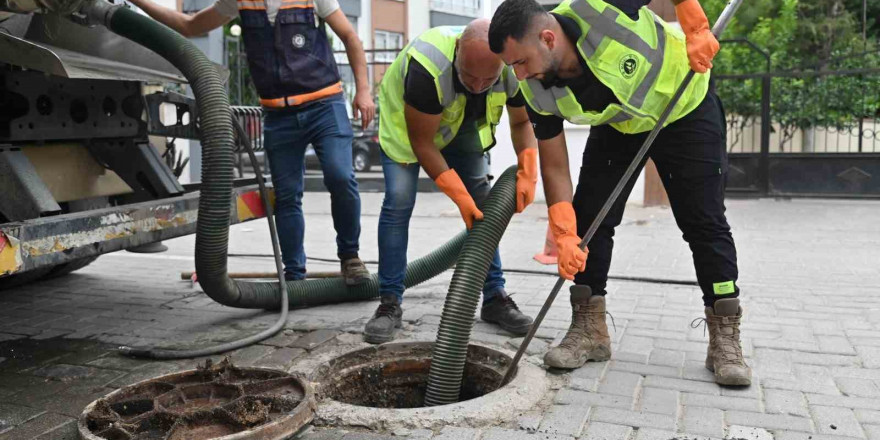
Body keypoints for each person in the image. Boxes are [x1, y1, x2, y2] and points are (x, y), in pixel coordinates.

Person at [489, 0, 751, 386]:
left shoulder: (598, 7)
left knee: (703, 222)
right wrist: (563, 231)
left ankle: (725, 337)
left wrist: (696, 29)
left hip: (684, 104)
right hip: (620, 124)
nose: (520, 74)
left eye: (521, 62)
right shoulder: (536, 91)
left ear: (547, 38)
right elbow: (556, 164)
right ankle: (588, 330)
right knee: (590, 219)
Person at [128, 0, 375, 284]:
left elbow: (350, 37)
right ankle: (294, 276)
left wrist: (364, 91)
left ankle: (350, 258)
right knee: (286, 196)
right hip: (278, 116)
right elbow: (189, 25)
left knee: (340, 176)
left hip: (324, 106)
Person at [364, 19, 538, 344]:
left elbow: (521, 122)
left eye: (488, 78)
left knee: (485, 209)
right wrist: (458, 196)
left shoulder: (512, 67)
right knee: (399, 203)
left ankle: (494, 297)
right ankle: (389, 302)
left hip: (461, 125)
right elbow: (423, 144)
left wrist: (528, 168)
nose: (478, 85)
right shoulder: (427, 67)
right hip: (409, 130)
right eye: (470, 75)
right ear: (458, 50)